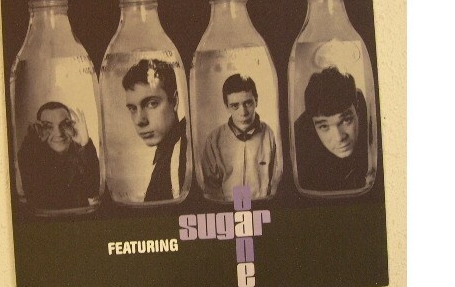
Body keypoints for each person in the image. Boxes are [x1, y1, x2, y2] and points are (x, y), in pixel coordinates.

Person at [201, 74, 277, 202]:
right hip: (226, 208)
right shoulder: (214, 140)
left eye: (248, 103)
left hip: (262, 206)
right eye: (235, 106)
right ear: (226, 106)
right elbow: (210, 187)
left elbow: (276, 181)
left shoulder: (270, 135)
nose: (243, 112)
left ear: (256, 100)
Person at [294, 67, 369, 191]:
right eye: (324, 126)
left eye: (346, 120)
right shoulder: (302, 148)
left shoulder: (368, 114)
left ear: (357, 111)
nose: (339, 137)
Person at [122, 59, 187, 202]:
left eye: (151, 104)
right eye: (133, 108)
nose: (140, 120)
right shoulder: (169, 151)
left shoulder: (183, 151)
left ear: (174, 101)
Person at [17, 101, 100, 212]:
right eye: (48, 126)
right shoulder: (33, 159)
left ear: (72, 125)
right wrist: (31, 141)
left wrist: (85, 142)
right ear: (39, 129)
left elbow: (93, 192)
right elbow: (33, 197)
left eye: (64, 124)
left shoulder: (85, 154)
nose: (59, 133)